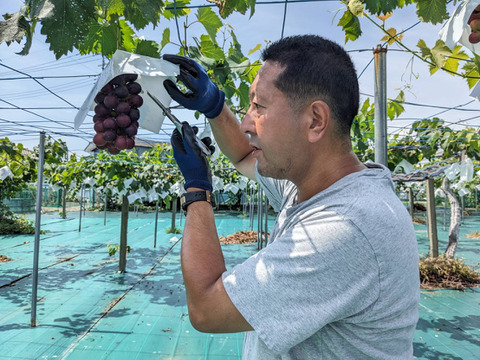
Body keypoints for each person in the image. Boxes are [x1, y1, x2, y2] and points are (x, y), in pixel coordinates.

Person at [162, 34, 420, 359]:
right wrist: (214, 106)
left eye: (259, 107)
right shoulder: (312, 185)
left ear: (314, 121)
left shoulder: (346, 227)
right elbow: (244, 156)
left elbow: (206, 307)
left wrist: (197, 193)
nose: (245, 124)